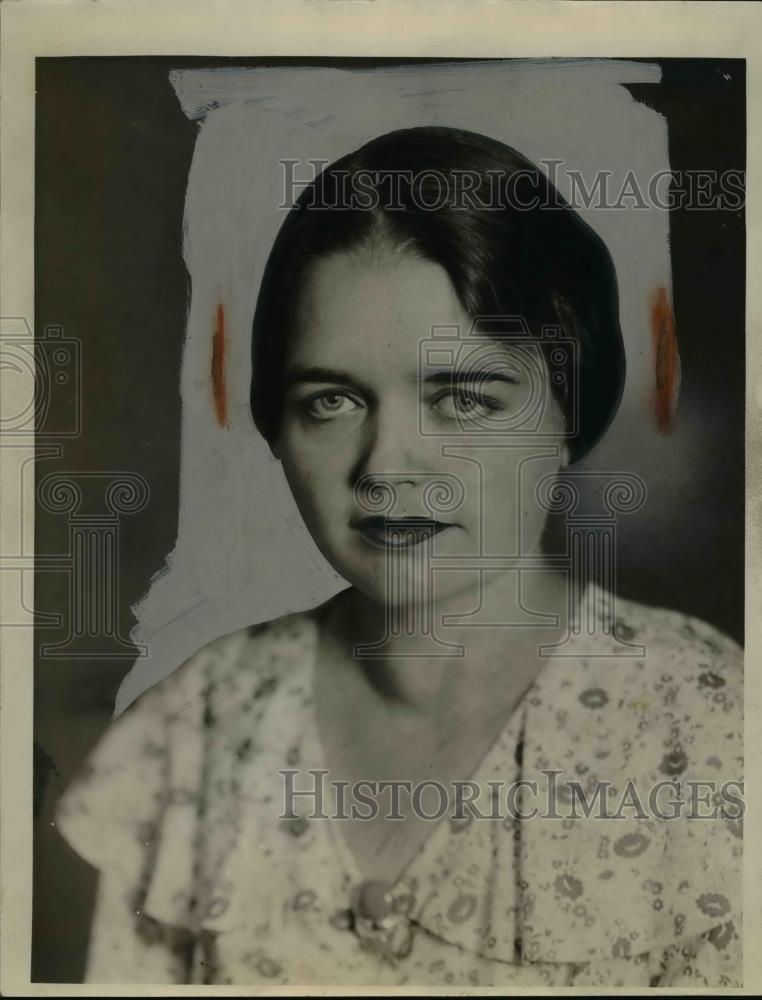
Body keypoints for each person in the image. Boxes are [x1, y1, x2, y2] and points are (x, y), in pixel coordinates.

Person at [54, 127, 743, 987]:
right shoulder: (193, 732)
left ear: (565, 413)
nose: (384, 466)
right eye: (332, 400)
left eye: (462, 397)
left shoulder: (712, 728)